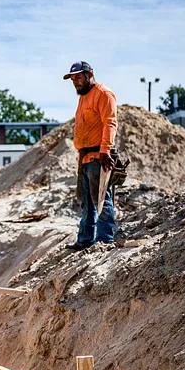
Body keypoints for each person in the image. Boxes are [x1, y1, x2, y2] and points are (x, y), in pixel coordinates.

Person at [63, 61, 118, 251]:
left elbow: (110, 122)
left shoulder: (103, 94)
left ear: (89, 74)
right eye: (72, 79)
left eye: (78, 77)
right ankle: (85, 239)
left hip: (97, 156)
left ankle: (104, 240)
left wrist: (105, 150)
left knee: (101, 199)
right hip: (84, 158)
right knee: (86, 202)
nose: (75, 82)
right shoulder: (83, 98)